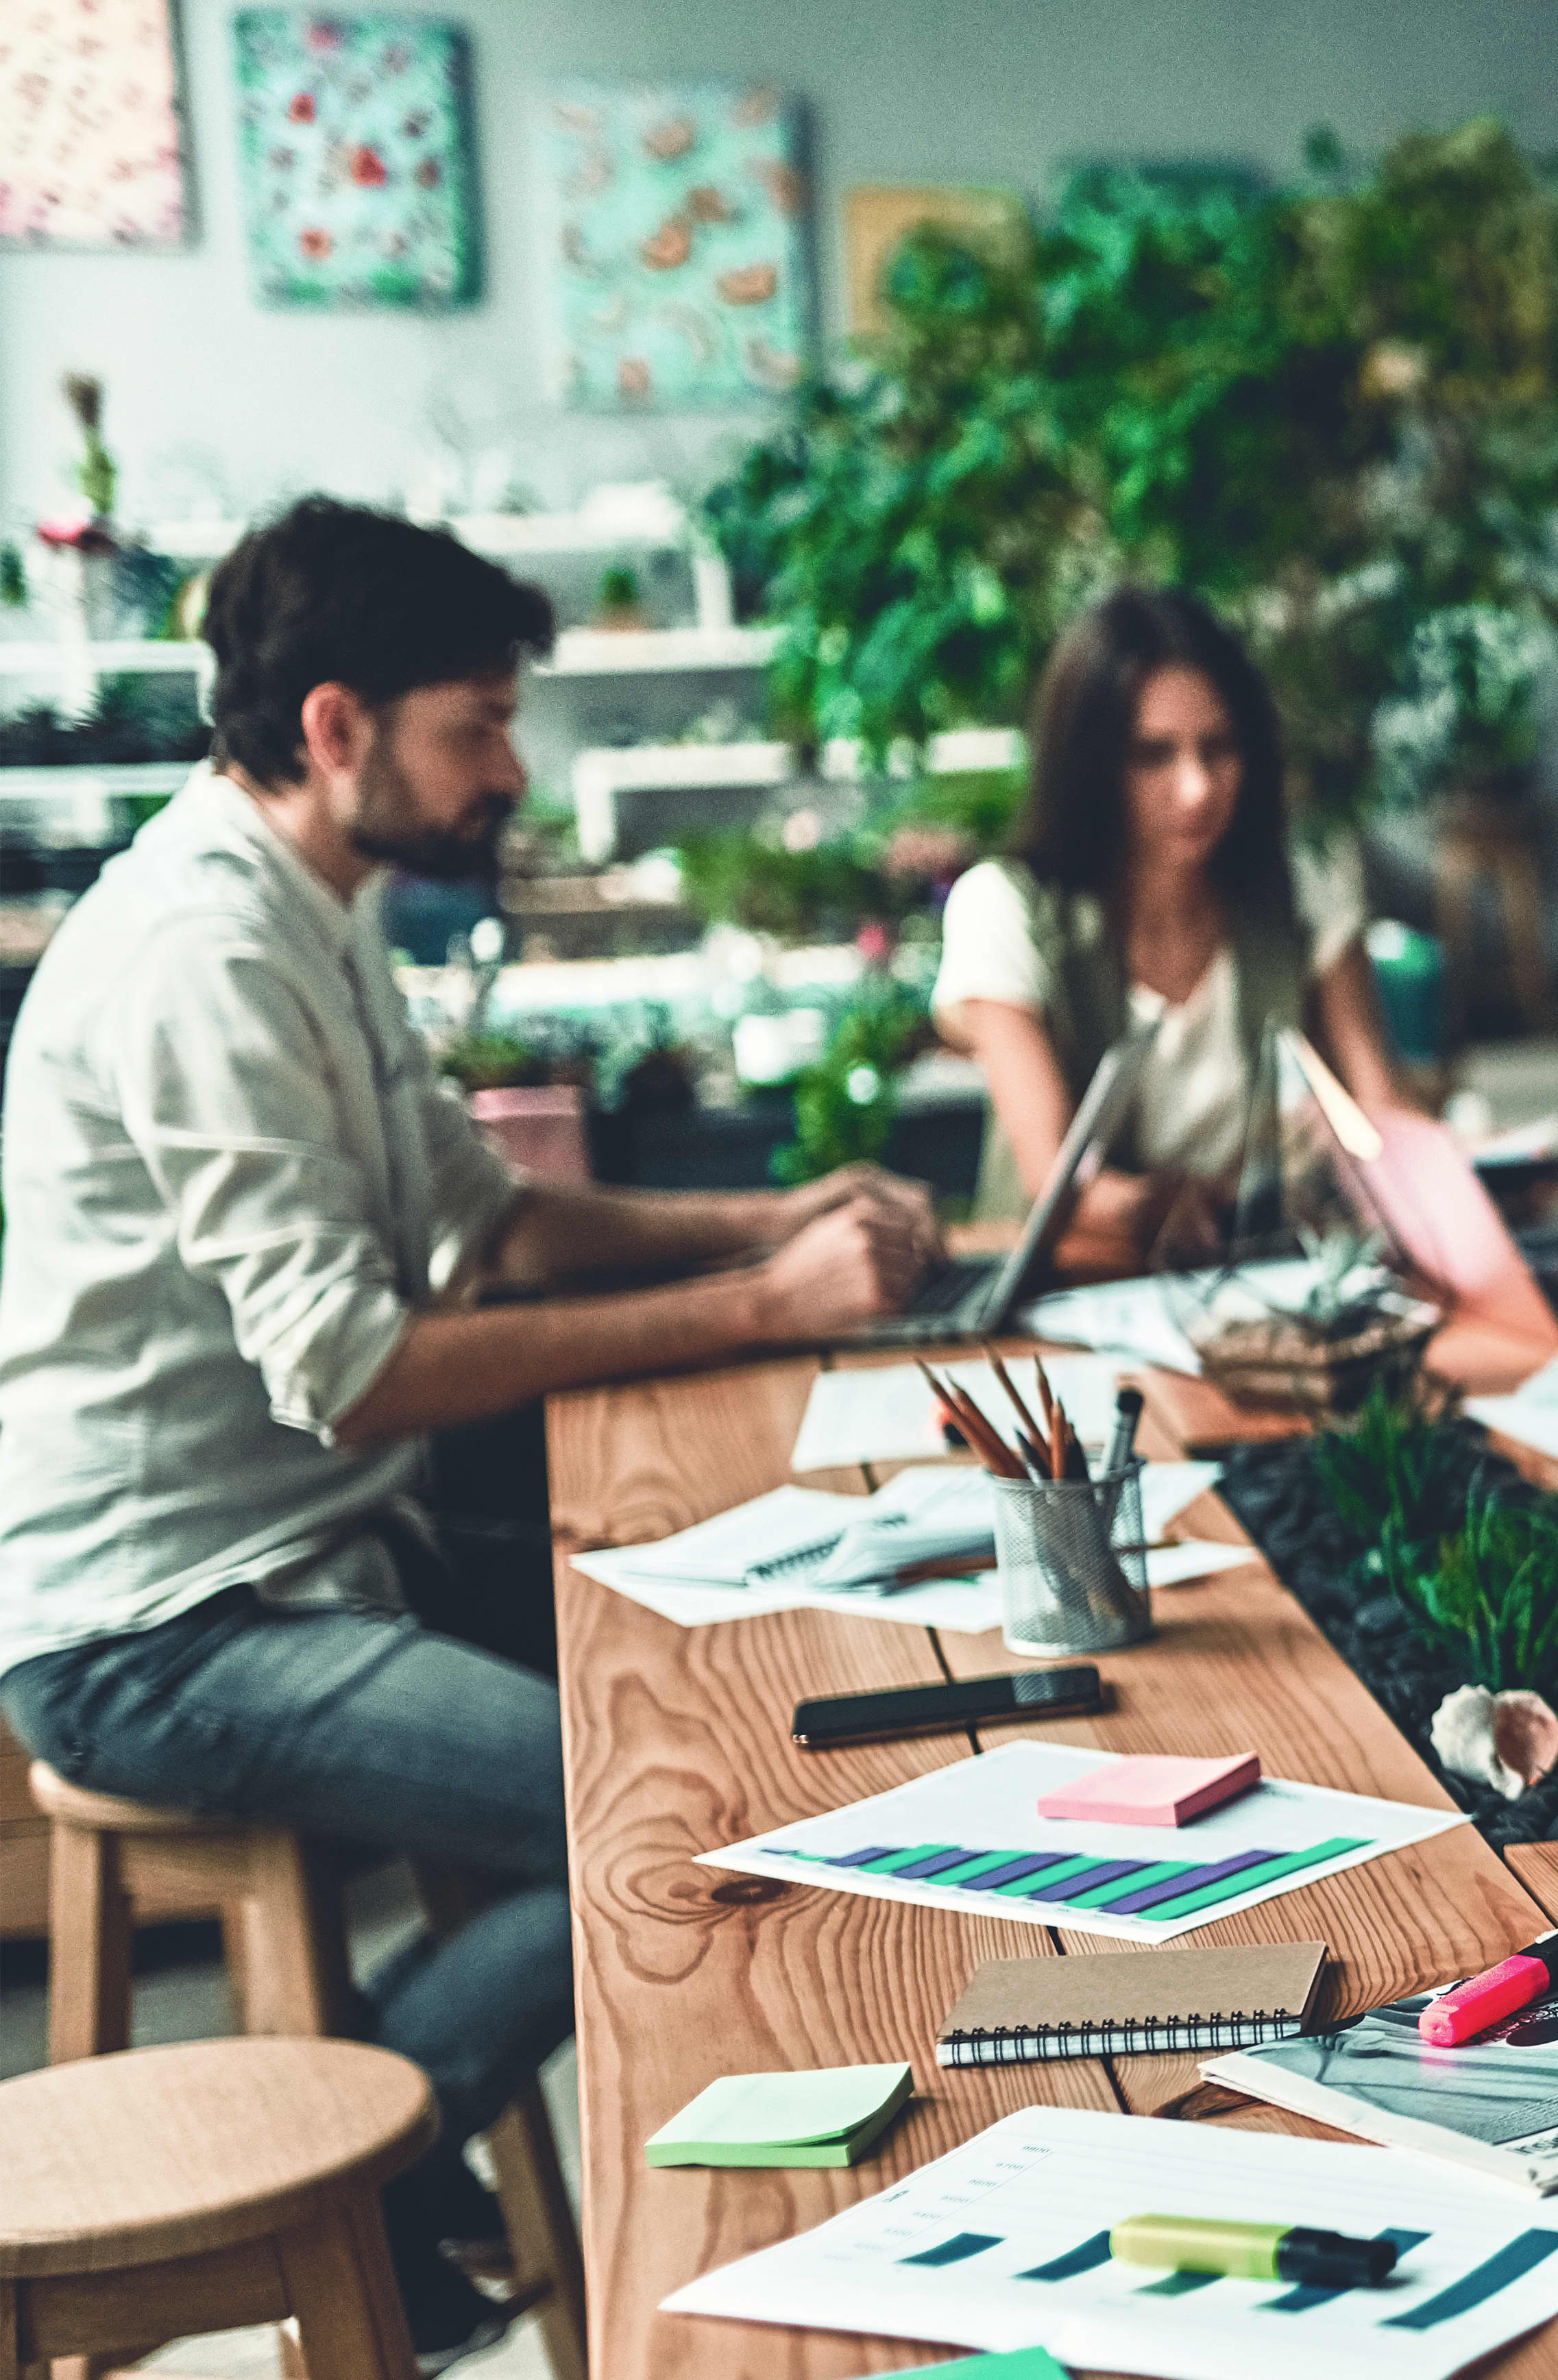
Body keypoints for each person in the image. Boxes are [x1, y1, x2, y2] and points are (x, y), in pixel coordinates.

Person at [0, 498, 945, 2356]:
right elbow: (350, 1368)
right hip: (158, 1627)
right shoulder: (206, 953)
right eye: (479, 725)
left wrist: (776, 1219)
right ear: (337, 725)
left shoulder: (318, 909)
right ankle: (369, 2157)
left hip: (314, 1562)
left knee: (730, 1705)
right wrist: (765, 1311)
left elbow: (488, 1221)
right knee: (676, 1816)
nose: (511, 766)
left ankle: (398, 2126)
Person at [935, 587, 1411, 1277]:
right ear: (1091, 765)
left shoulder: (1301, 885)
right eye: (1152, 755)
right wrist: (1174, 1203)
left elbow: (1379, 1112)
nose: (1196, 788)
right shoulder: (1004, 907)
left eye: (1218, 748)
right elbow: (1055, 1181)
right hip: (1068, 1303)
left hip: (1265, 1289)